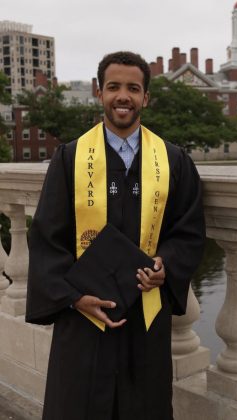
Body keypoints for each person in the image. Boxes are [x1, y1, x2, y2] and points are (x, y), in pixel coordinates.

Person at [25, 51, 206, 420]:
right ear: (99, 93)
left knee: (144, 406)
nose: (123, 96)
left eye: (133, 88)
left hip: (145, 310)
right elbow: (46, 237)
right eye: (113, 87)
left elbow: (187, 230)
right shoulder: (70, 159)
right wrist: (74, 298)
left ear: (145, 98)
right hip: (83, 316)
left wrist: (165, 265)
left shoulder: (173, 161)